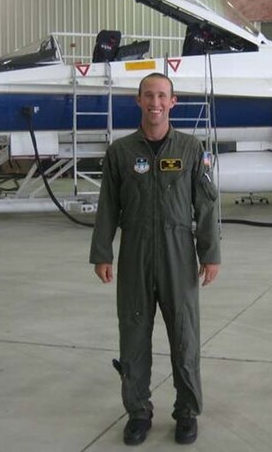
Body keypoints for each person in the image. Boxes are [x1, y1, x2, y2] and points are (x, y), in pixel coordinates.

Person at [90, 72, 221, 446]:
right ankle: (138, 412)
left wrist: (210, 253)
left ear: (173, 101)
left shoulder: (191, 149)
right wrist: (103, 252)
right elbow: (107, 208)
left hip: (179, 252)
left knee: (184, 335)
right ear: (138, 100)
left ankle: (186, 411)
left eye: (162, 95)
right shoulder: (121, 152)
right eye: (149, 95)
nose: (155, 103)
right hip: (135, 253)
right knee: (133, 335)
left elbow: (206, 206)